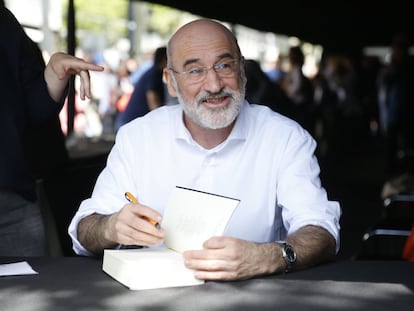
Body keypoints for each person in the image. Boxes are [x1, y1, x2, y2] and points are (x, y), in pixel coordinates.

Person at [69, 19, 341, 281]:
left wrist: (269, 256)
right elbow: (85, 230)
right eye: (195, 70)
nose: (214, 85)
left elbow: (321, 230)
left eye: (223, 65)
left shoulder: (285, 138)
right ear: (171, 82)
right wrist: (111, 226)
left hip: (254, 296)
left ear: (242, 72)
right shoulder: (138, 138)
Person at [0, 3, 103, 256]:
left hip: (12, 198)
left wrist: (54, 75)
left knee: (34, 288)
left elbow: (32, 111)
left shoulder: (3, 21)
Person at [114, 46, 167, 131]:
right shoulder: (154, 74)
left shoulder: (153, 72)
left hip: (131, 122)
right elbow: (153, 102)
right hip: (132, 124)